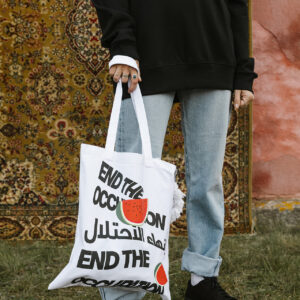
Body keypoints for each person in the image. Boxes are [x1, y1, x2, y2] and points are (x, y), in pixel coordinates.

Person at [90, 1, 258, 299]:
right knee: (132, 183)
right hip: (145, 55)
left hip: (214, 53)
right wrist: (123, 45)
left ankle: (202, 280)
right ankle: (123, 290)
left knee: (208, 182)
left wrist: (243, 69)